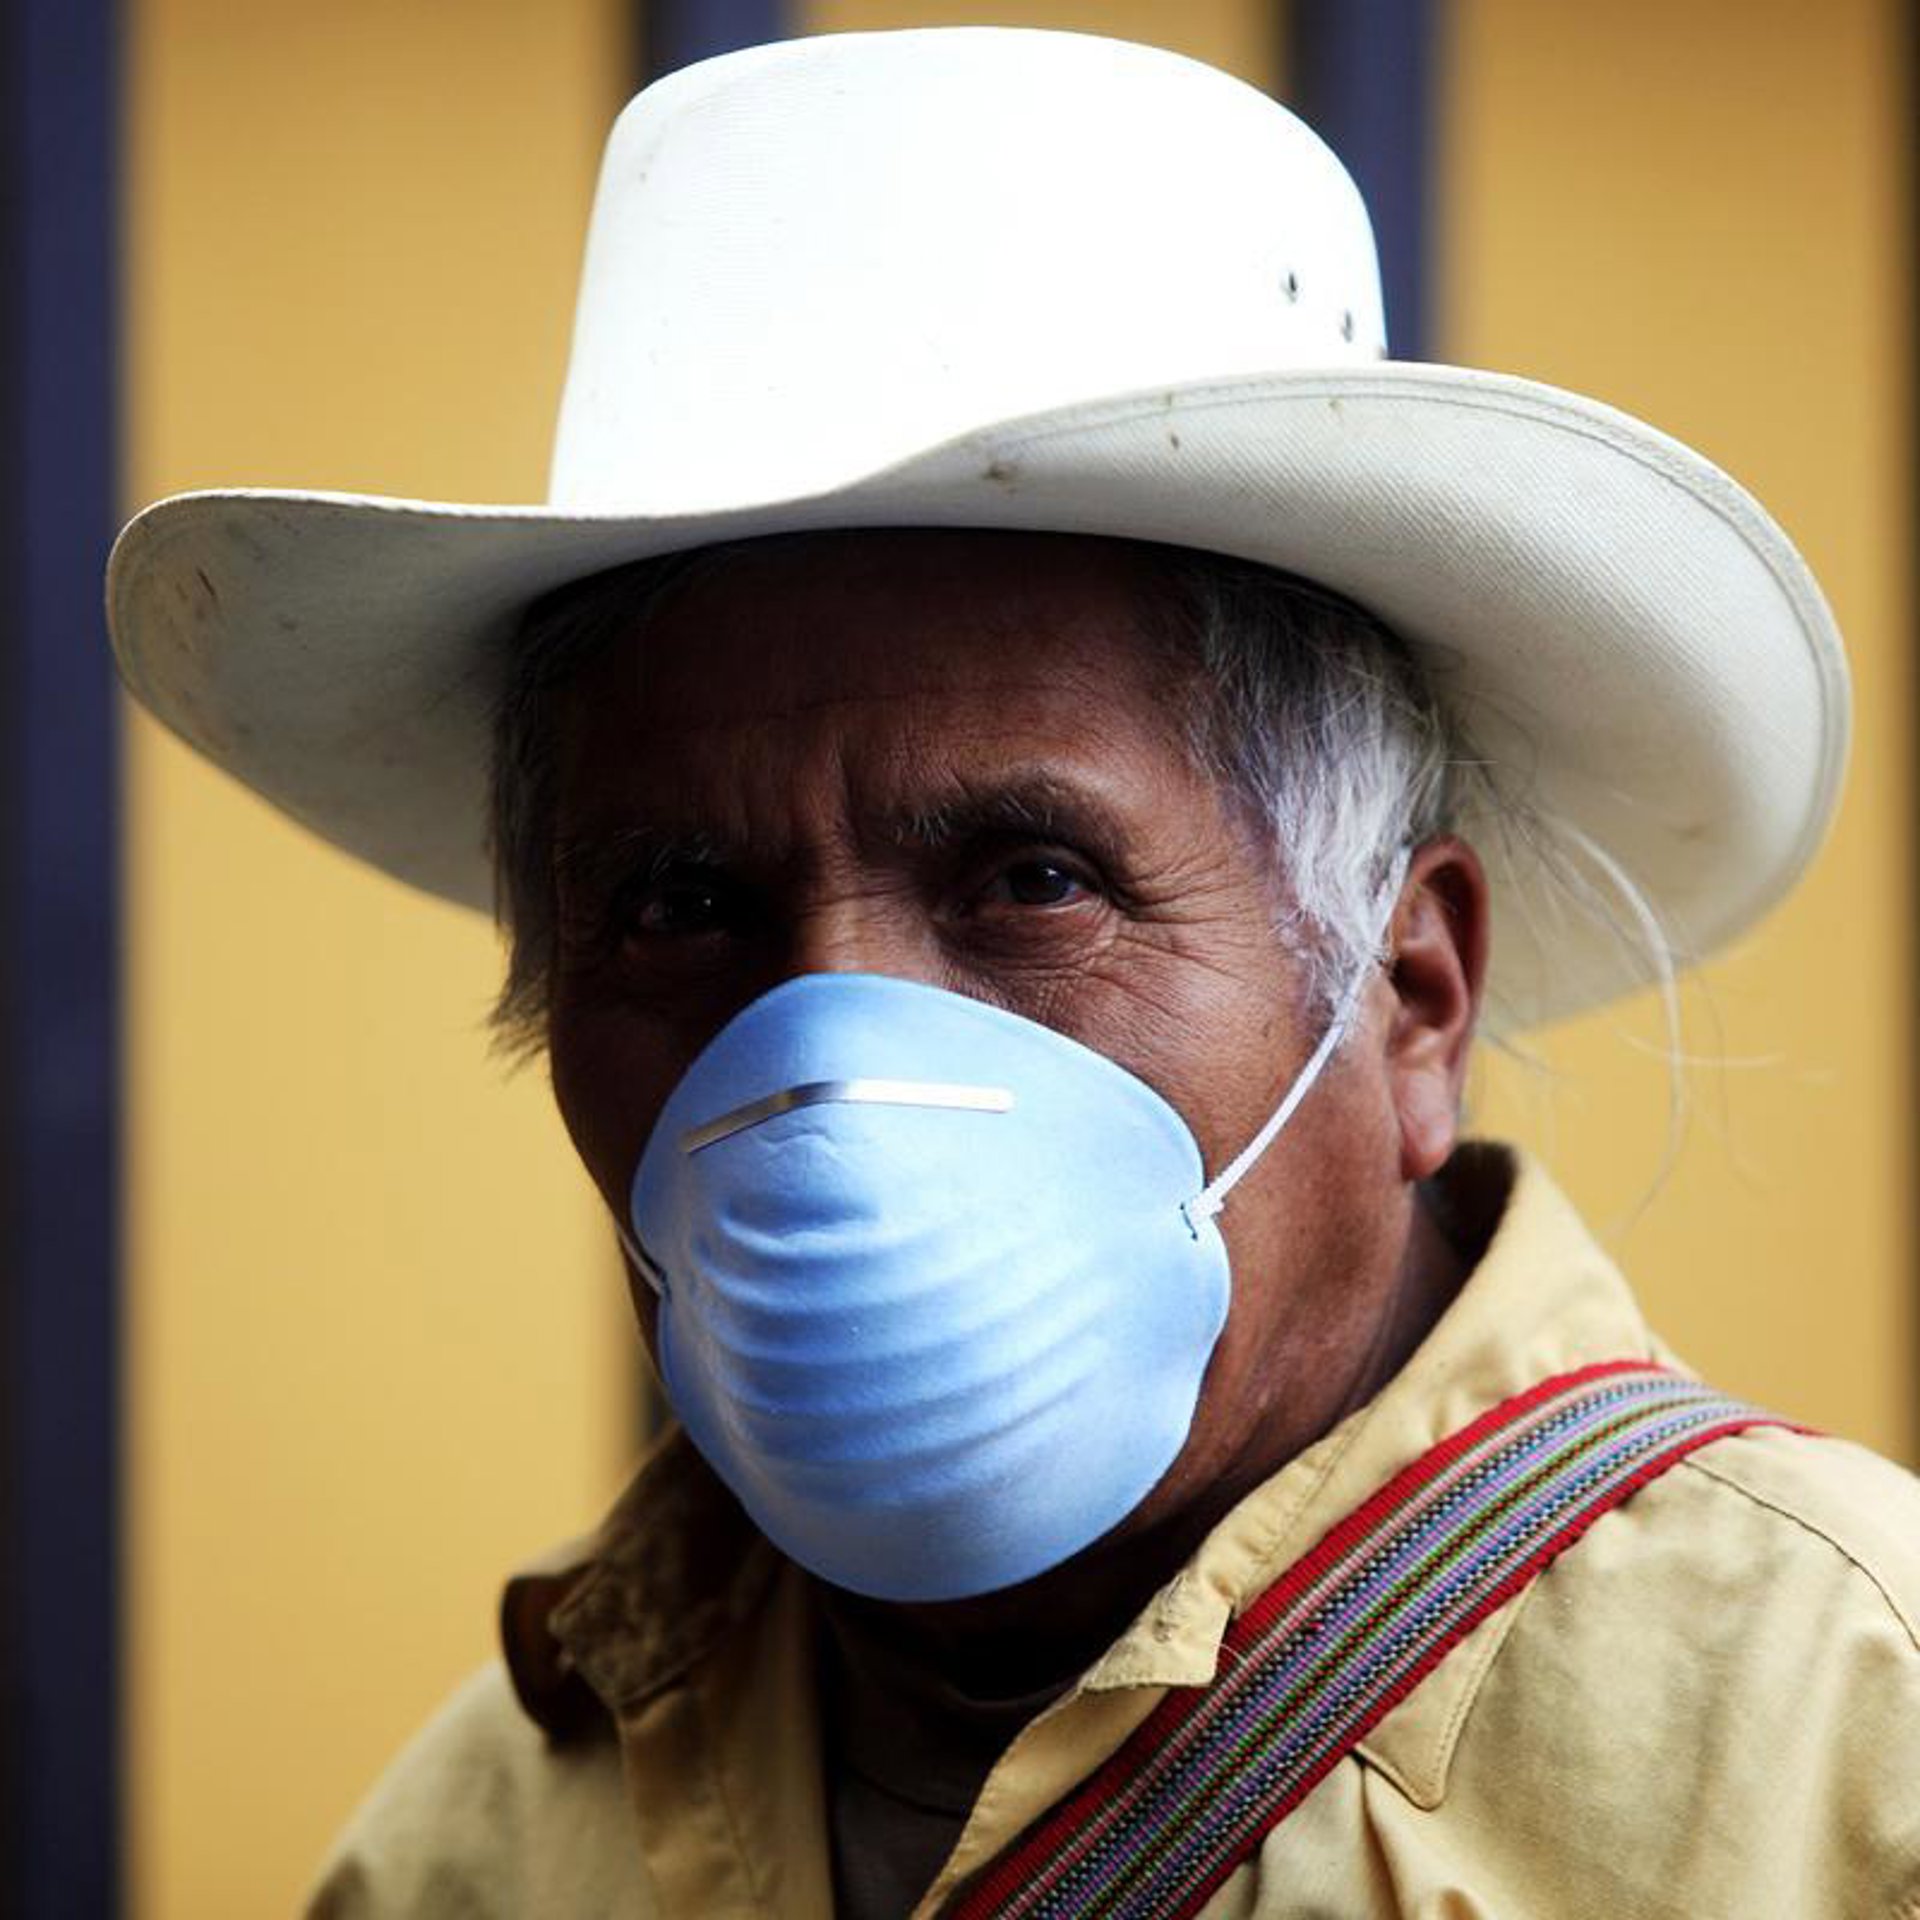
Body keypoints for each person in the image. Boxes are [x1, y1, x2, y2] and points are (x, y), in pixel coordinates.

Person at [107, 28, 1919, 1920]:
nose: (822, 1065)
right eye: (680, 904)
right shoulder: (481, 1847)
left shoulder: (1847, 1757)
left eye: (1035, 881)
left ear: (1412, 994)